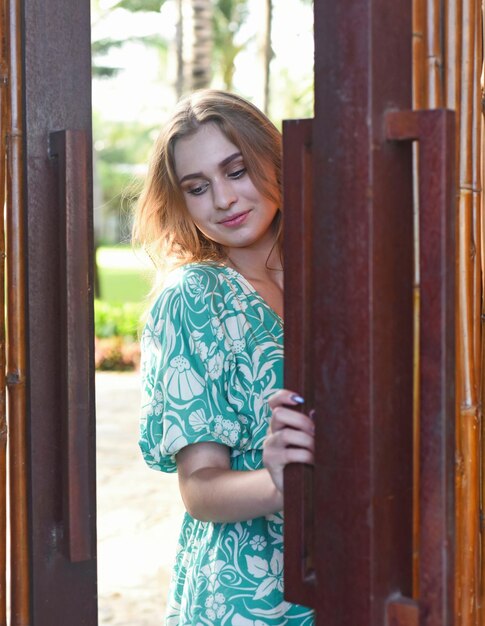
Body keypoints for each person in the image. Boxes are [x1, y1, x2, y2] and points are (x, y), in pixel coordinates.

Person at [133, 89, 315, 626]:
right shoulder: (193, 299)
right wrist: (278, 480)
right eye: (198, 187)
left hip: (352, 572)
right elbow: (200, 488)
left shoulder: (333, 272)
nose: (223, 199)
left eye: (236, 171)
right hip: (245, 598)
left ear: (272, 160)